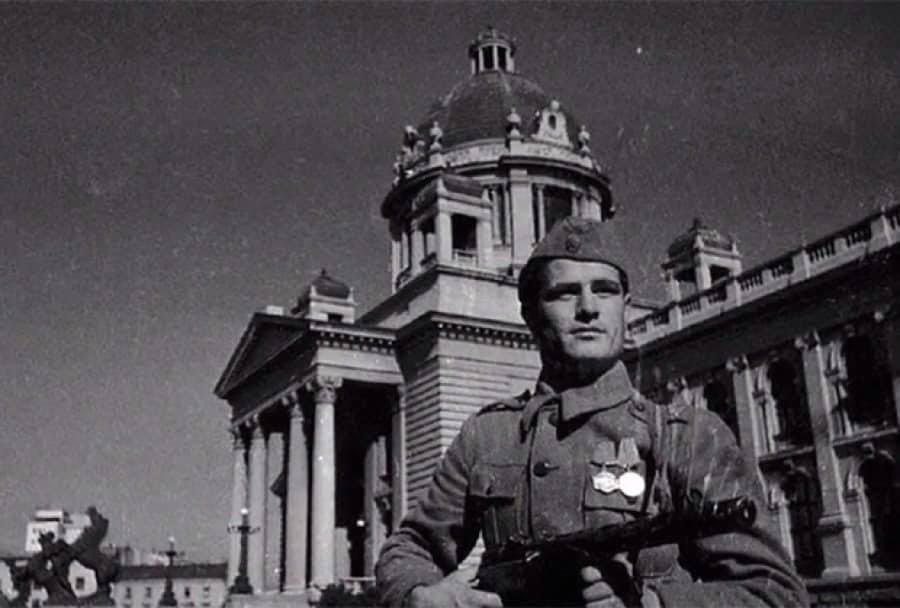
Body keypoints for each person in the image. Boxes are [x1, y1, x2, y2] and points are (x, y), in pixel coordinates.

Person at [376, 216, 808, 608]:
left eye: (605, 290)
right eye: (564, 293)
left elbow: (775, 594)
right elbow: (412, 546)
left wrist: (652, 605)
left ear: (625, 305)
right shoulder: (488, 437)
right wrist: (420, 593)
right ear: (530, 313)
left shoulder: (685, 435)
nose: (588, 308)